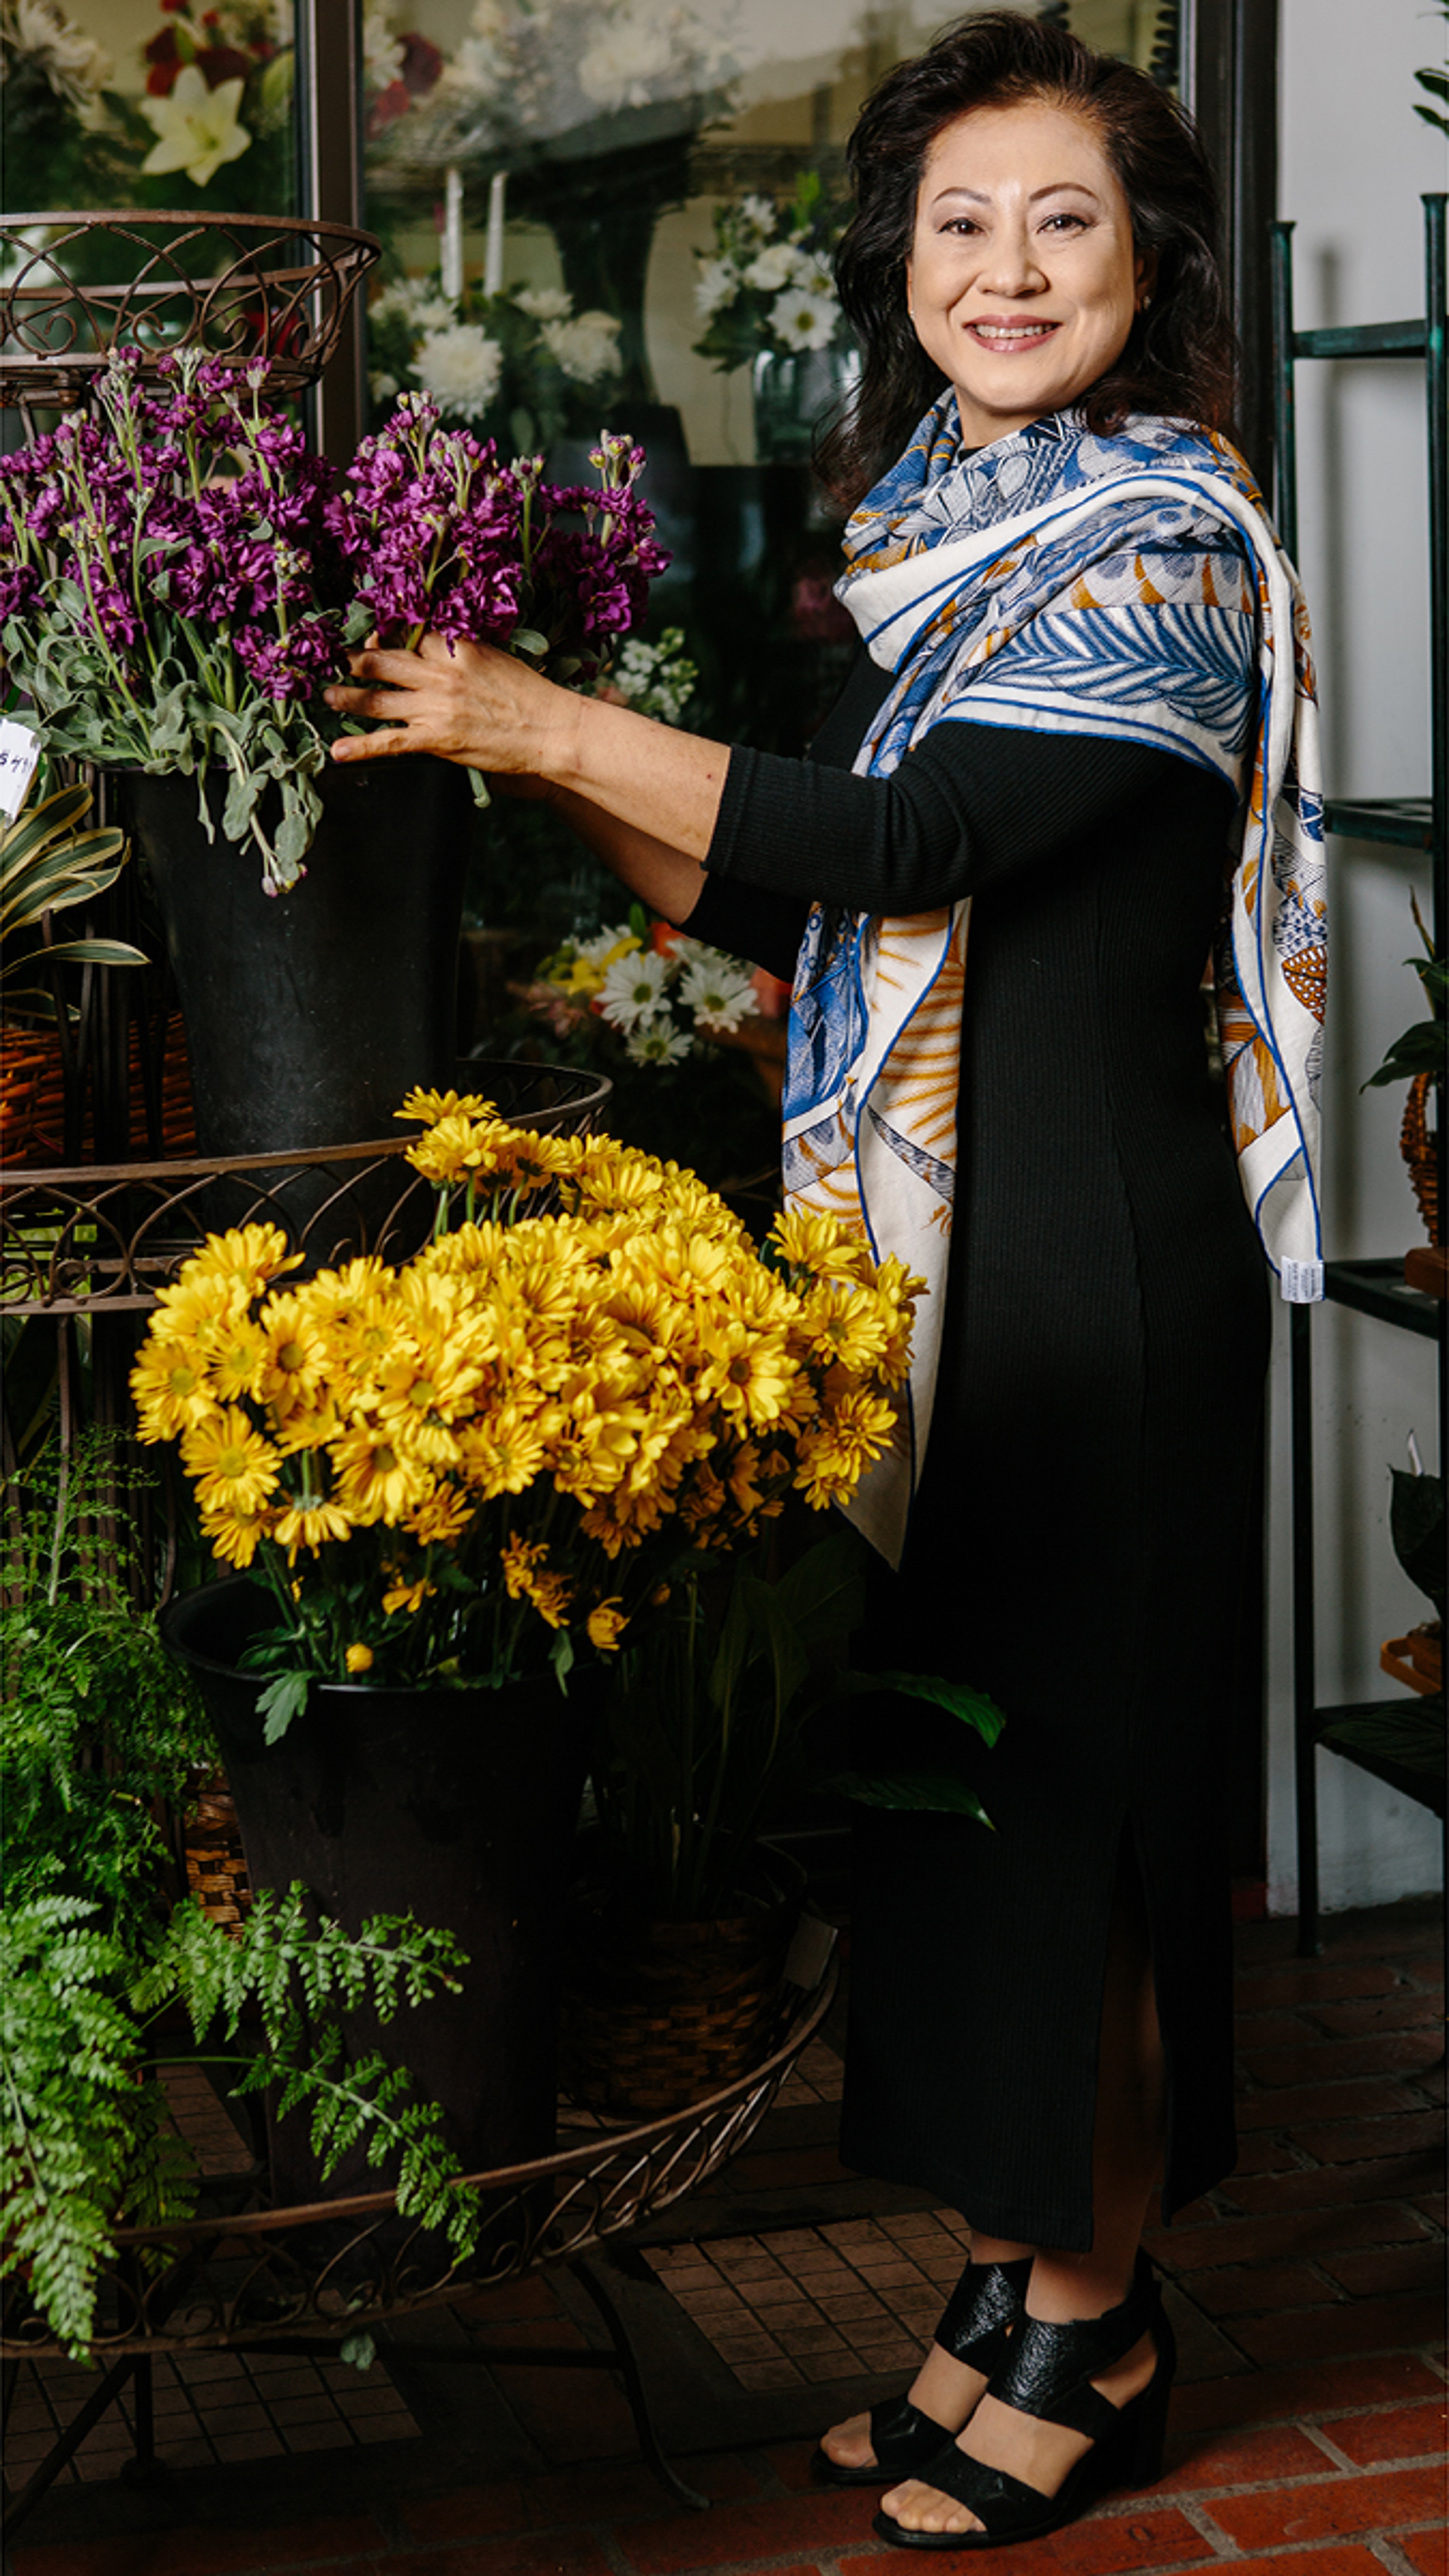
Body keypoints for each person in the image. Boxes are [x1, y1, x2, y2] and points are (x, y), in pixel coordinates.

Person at [326, 11, 1326, 2550]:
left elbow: (928, 842)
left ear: (1146, 263)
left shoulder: (1167, 541)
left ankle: (1098, 2333)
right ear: (904, 261)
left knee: (1066, 1833)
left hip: (1094, 1287)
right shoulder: (947, 528)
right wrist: (530, 760)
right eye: (963, 223)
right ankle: (1008, 2288)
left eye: (1065, 221)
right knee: (964, 1825)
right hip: (951, 1280)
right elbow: (797, 905)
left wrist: (552, 710)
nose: (1007, 268)